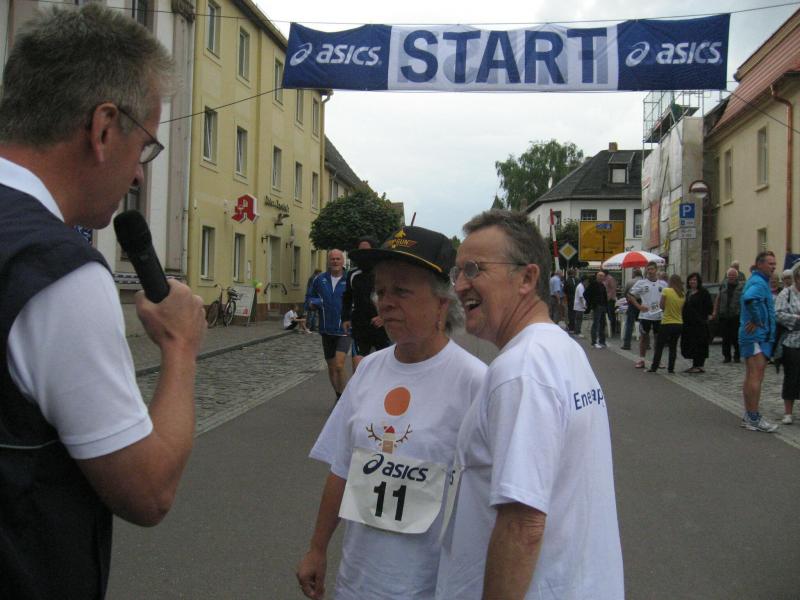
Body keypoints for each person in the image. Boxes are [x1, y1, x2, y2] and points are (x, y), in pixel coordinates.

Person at [0, 6, 207, 597]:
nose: (139, 176)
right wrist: (181, 347)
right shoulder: (55, 271)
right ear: (104, 128)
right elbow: (147, 491)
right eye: (145, 147)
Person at [438, 209, 623, 600]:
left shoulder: (521, 370)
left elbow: (523, 524)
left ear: (527, 278)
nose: (459, 285)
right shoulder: (560, 350)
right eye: (457, 272)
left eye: (473, 270)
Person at [297, 226, 486, 600]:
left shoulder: (475, 382)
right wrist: (317, 548)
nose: (385, 302)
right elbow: (342, 468)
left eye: (401, 291)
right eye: (381, 291)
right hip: (358, 582)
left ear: (442, 303)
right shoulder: (369, 369)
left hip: (430, 586)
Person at [739, 250, 779, 432]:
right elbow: (749, 299)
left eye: (774, 263)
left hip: (754, 335)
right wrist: (757, 320)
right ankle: (754, 417)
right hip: (757, 336)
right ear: (759, 264)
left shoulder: (758, 280)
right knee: (756, 375)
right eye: (770, 263)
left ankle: (750, 415)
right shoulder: (758, 282)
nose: (773, 267)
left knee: (751, 375)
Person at [342, 236, 391, 372]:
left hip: (382, 328)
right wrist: (345, 318)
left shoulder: (384, 273)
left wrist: (384, 317)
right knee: (358, 369)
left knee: (385, 370)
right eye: (361, 251)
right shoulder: (353, 274)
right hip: (360, 327)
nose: (364, 254)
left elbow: (393, 298)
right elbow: (347, 297)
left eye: (367, 251)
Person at [306, 250, 349, 401]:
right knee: (331, 367)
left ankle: (344, 399)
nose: (335, 261)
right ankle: (338, 395)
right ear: (328, 261)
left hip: (344, 329)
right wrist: (313, 303)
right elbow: (309, 297)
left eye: (338, 259)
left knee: (339, 365)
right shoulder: (320, 279)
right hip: (326, 329)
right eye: (332, 259)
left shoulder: (349, 279)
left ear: (342, 261)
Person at [775, 263, 800, 424]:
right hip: (791, 342)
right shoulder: (786, 293)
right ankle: (788, 413)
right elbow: (778, 314)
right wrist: (797, 318)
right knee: (791, 376)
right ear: (796, 278)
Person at [628, 262, 666, 369]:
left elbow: (667, 297)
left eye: (652, 269)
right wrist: (639, 306)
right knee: (644, 338)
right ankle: (641, 360)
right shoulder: (641, 283)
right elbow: (630, 295)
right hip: (645, 316)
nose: (650, 271)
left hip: (659, 316)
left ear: (656, 270)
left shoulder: (663, 284)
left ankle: (657, 360)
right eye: (648, 269)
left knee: (658, 339)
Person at [648, 274, 685, 373]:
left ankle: (654, 367)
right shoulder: (682, 294)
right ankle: (671, 368)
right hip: (678, 323)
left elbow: (662, 306)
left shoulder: (666, 291)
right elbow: (681, 309)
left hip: (667, 322)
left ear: (670, 281)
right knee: (673, 347)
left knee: (659, 346)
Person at [681, 273, 714, 373]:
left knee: (700, 343)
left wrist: (707, 316)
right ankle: (695, 365)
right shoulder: (689, 293)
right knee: (691, 343)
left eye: (694, 280)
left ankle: (699, 365)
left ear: (698, 281)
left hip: (700, 322)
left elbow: (709, 306)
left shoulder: (703, 292)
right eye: (691, 280)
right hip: (689, 323)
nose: (692, 282)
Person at [711, 268, 743, 363]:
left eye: (733, 275)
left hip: (736, 315)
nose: (731, 277)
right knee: (725, 338)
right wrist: (715, 311)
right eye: (730, 275)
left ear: (736, 276)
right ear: (727, 276)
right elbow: (718, 299)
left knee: (736, 337)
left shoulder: (741, 287)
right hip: (724, 315)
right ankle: (726, 356)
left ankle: (737, 356)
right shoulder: (723, 286)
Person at [585, 270, 608, 348]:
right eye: (600, 276)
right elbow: (586, 294)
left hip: (602, 306)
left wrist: (605, 305)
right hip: (597, 306)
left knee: (602, 323)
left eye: (603, 276)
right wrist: (592, 303)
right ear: (597, 277)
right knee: (596, 323)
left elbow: (604, 296)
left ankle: (602, 341)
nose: (602, 278)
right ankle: (594, 341)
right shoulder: (593, 284)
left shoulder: (602, 285)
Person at [621, 268, 643, 349]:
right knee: (643, 324)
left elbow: (625, 293)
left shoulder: (630, 282)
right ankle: (646, 344)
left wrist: (627, 298)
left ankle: (627, 344)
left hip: (632, 303)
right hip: (642, 303)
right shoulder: (644, 282)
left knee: (629, 324)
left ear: (634, 274)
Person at [603, 269, 618, 337]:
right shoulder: (605, 279)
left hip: (610, 300)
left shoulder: (610, 279)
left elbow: (613, 289)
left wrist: (608, 298)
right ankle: (607, 329)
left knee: (611, 314)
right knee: (606, 315)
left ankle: (613, 329)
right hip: (605, 299)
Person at [563, 268, 579, 333]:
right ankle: (575, 327)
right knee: (575, 313)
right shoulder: (577, 280)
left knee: (571, 313)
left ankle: (571, 327)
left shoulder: (567, 281)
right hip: (577, 298)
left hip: (570, 299)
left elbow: (564, 290)